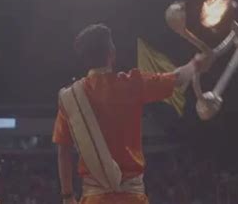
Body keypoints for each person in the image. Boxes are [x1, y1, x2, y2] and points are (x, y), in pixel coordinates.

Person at [52, 24, 211, 204]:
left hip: (93, 199)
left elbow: (63, 150)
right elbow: (177, 78)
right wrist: (196, 64)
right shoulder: (131, 84)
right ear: (112, 53)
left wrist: (67, 197)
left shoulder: (70, 98)